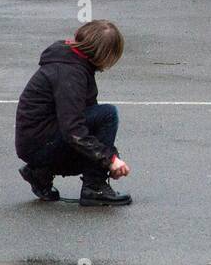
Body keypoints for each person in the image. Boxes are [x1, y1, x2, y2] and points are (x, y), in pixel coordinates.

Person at [15, 20, 133, 206]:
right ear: (104, 54)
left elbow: (85, 122)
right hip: (40, 145)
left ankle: (40, 172)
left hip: (37, 142)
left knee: (98, 125)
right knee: (107, 114)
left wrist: (111, 157)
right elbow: (73, 130)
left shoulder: (72, 61)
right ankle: (95, 188)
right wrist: (109, 159)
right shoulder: (70, 73)